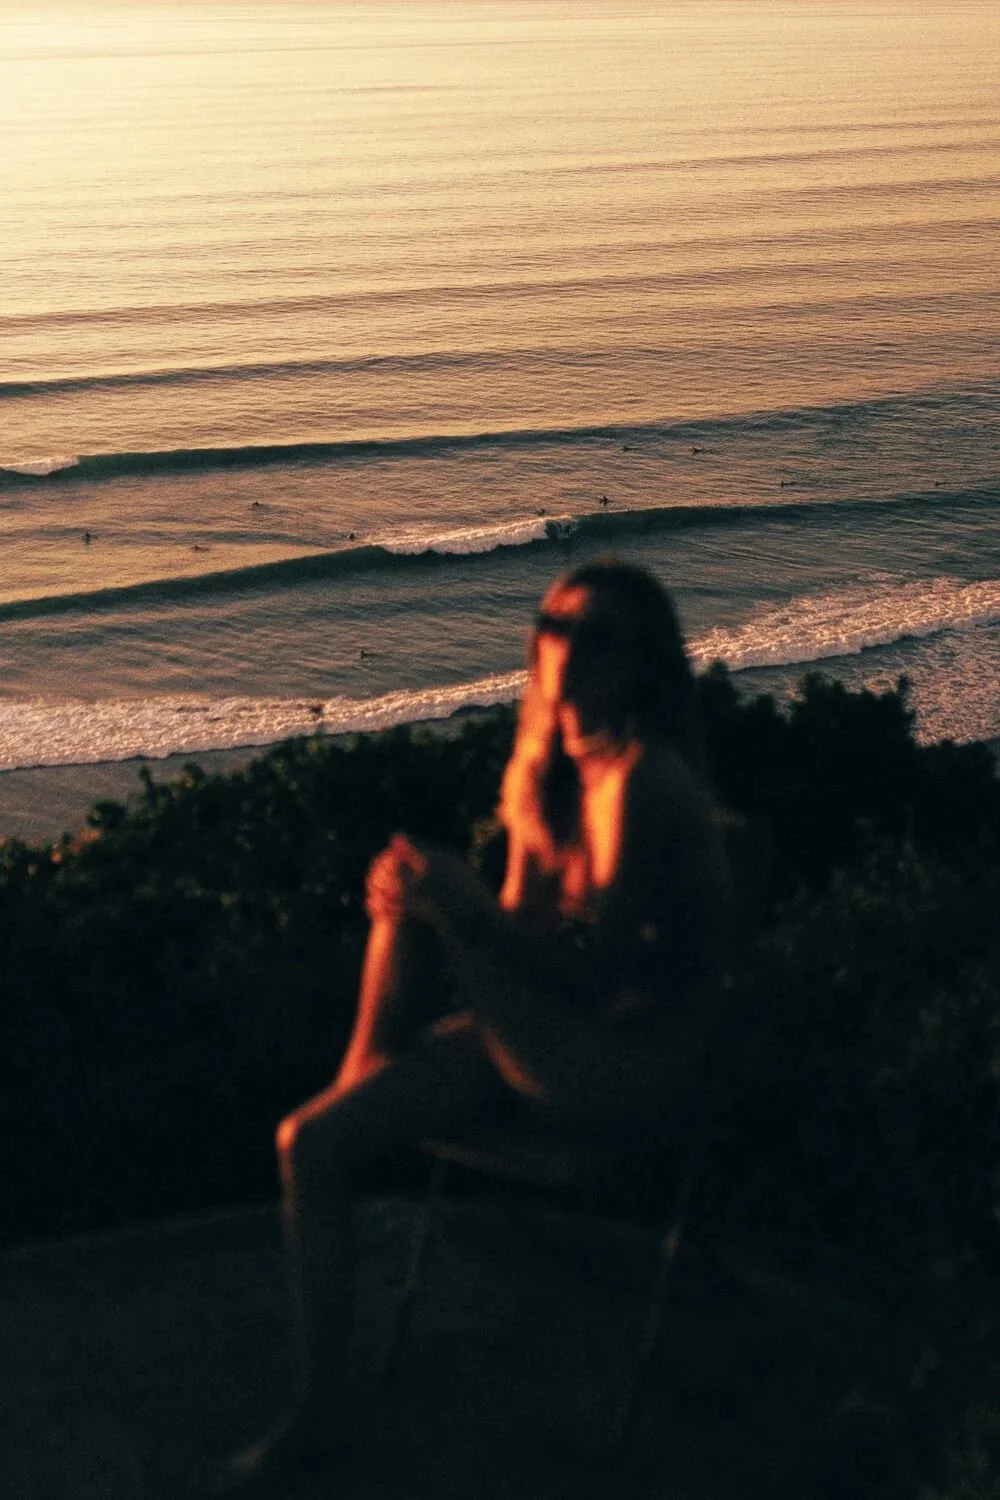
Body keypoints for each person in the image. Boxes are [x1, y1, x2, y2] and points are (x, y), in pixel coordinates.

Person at [216, 558, 733, 1494]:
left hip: (624, 1070)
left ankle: (364, 1083)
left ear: (641, 665)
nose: (564, 647)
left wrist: (458, 908)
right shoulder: (545, 776)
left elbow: (595, 980)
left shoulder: (646, 784)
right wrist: (439, 902)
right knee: (310, 1142)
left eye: (596, 634)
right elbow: (525, 940)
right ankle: (324, 1405)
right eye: (553, 624)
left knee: (432, 892)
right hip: (546, 1044)